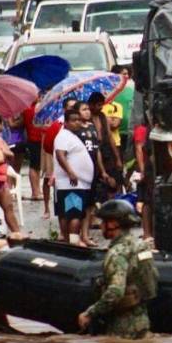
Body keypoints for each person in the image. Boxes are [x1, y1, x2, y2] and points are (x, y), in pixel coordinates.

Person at [78, 200, 158, 339]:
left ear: (113, 224)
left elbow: (115, 292)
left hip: (121, 329)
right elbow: (151, 282)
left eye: (104, 222)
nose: (101, 225)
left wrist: (90, 313)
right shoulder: (141, 246)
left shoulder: (117, 253)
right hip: (142, 324)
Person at [73, 101, 114, 246]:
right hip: (79, 170)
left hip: (93, 170)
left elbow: (97, 151)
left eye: (87, 109)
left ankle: (86, 235)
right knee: (79, 204)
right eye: (83, 110)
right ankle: (75, 237)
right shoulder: (74, 130)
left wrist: (102, 170)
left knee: (90, 205)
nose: (87, 112)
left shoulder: (91, 127)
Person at [54, 110, 94, 245]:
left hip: (78, 183)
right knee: (74, 214)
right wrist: (70, 172)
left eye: (79, 120)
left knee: (71, 214)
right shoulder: (63, 136)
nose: (77, 122)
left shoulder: (71, 136)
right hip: (71, 183)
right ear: (66, 122)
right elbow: (60, 155)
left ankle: (69, 242)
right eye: (73, 120)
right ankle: (73, 241)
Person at [43, 97, 78, 232]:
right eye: (70, 107)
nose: (73, 110)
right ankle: (64, 232)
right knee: (62, 199)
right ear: (64, 109)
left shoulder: (82, 124)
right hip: (61, 168)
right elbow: (48, 146)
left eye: (75, 107)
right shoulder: (57, 125)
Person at [21, 97, 45, 210]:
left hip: (35, 139)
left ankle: (37, 191)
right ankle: (35, 192)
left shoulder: (26, 109)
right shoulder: (33, 109)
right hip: (36, 139)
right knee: (35, 166)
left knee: (36, 165)